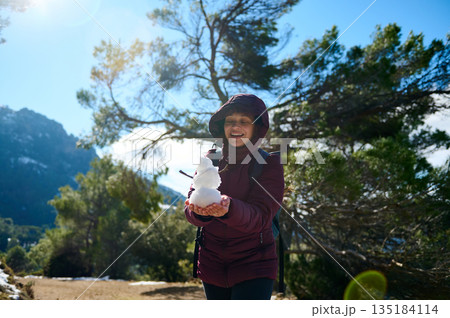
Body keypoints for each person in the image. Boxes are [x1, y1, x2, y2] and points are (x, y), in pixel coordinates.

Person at [184, 94, 285, 300]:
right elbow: (191, 205)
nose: (235, 127)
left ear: (256, 127)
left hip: (255, 265)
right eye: (230, 121)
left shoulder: (270, 164)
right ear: (222, 125)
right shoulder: (210, 158)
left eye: (244, 121)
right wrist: (199, 213)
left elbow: (261, 216)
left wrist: (229, 208)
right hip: (211, 265)